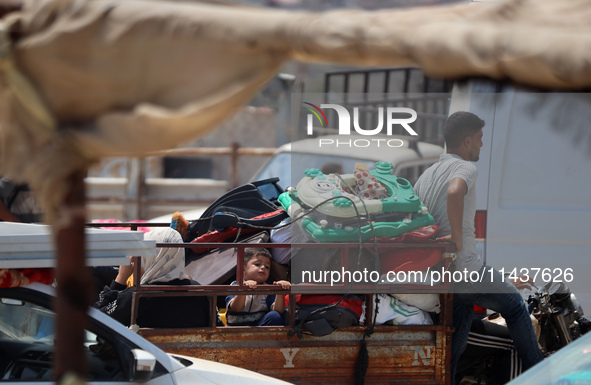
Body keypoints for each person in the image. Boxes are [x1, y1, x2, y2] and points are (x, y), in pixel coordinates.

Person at [413, 111, 543, 384]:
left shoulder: (424, 177)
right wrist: (457, 239)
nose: (483, 144)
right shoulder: (465, 168)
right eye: (481, 138)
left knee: (454, 343)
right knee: (517, 308)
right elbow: (454, 191)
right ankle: (545, 375)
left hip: (446, 276)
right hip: (466, 269)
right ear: (467, 140)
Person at [94, 227, 209, 328]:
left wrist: (121, 278)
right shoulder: (199, 293)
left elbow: (99, 321)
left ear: (151, 258)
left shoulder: (137, 296)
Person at [225, 247, 291, 326]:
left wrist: (280, 291)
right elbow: (235, 308)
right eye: (257, 264)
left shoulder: (268, 289)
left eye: (267, 267)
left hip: (260, 328)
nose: (263, 267)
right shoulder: (235, 285)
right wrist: (244, 289)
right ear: (243, 267)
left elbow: (279, 311)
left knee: (275, 316)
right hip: (236, 329)